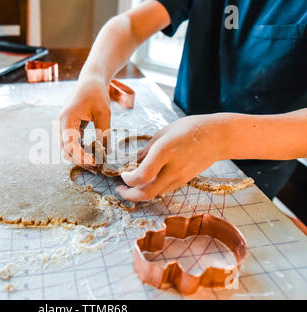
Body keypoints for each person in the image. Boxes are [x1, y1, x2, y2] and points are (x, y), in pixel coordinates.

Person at [59, 0, 307, 203]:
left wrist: (220, 135)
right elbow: (132, 24)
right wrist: (93, 76)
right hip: (177, 128)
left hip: (256, 164)